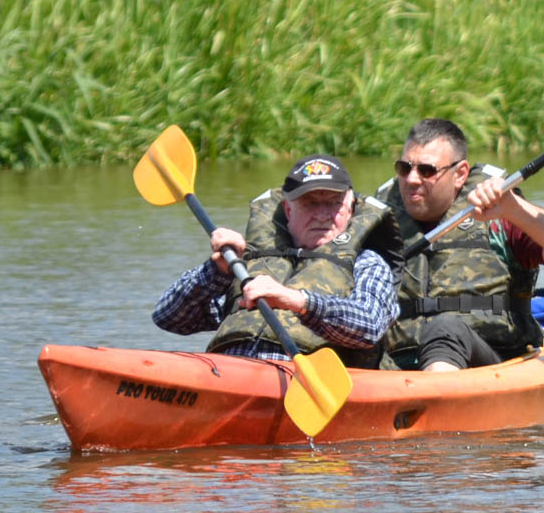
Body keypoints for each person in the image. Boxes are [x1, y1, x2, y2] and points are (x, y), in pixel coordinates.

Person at [377, 118, 544, 373]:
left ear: (460, 174)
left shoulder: (500, 215)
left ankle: (436, 400)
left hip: (486, 361)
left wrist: (515, 209)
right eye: (404, 168)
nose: (412, 179)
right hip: (395, 366)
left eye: (427, 170)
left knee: (445, 328)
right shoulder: (380, 219)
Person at [152, 155, 398, 366]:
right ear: (288, 210)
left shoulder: (367, 263)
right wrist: (216, 270)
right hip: (228, 373)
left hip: (309, 383)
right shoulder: (248, 261)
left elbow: (370, 325)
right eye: (310, 203)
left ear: (350, 208)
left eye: (333, 203)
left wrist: (296, 301)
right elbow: (169, 317)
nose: (323, 215)